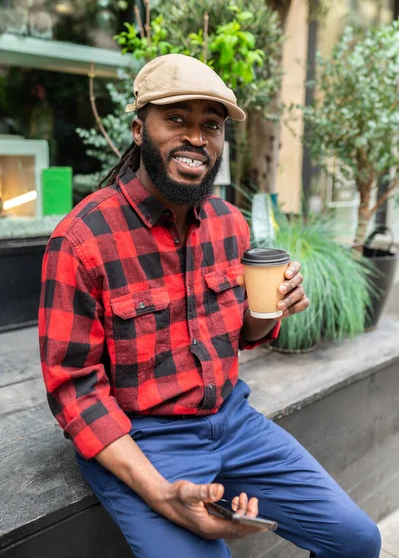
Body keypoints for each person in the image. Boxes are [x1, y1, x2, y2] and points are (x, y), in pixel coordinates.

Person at [39, 54, 381, 558]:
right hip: (142, 437)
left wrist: (272, 310)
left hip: (232, 420)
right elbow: (75, 392)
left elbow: (242, 333)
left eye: (211, 124)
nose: (197, 136)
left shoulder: (228, 223)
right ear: (138, 129)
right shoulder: (81, 240)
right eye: (176, 119)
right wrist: (160, 492)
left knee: (357, 541)